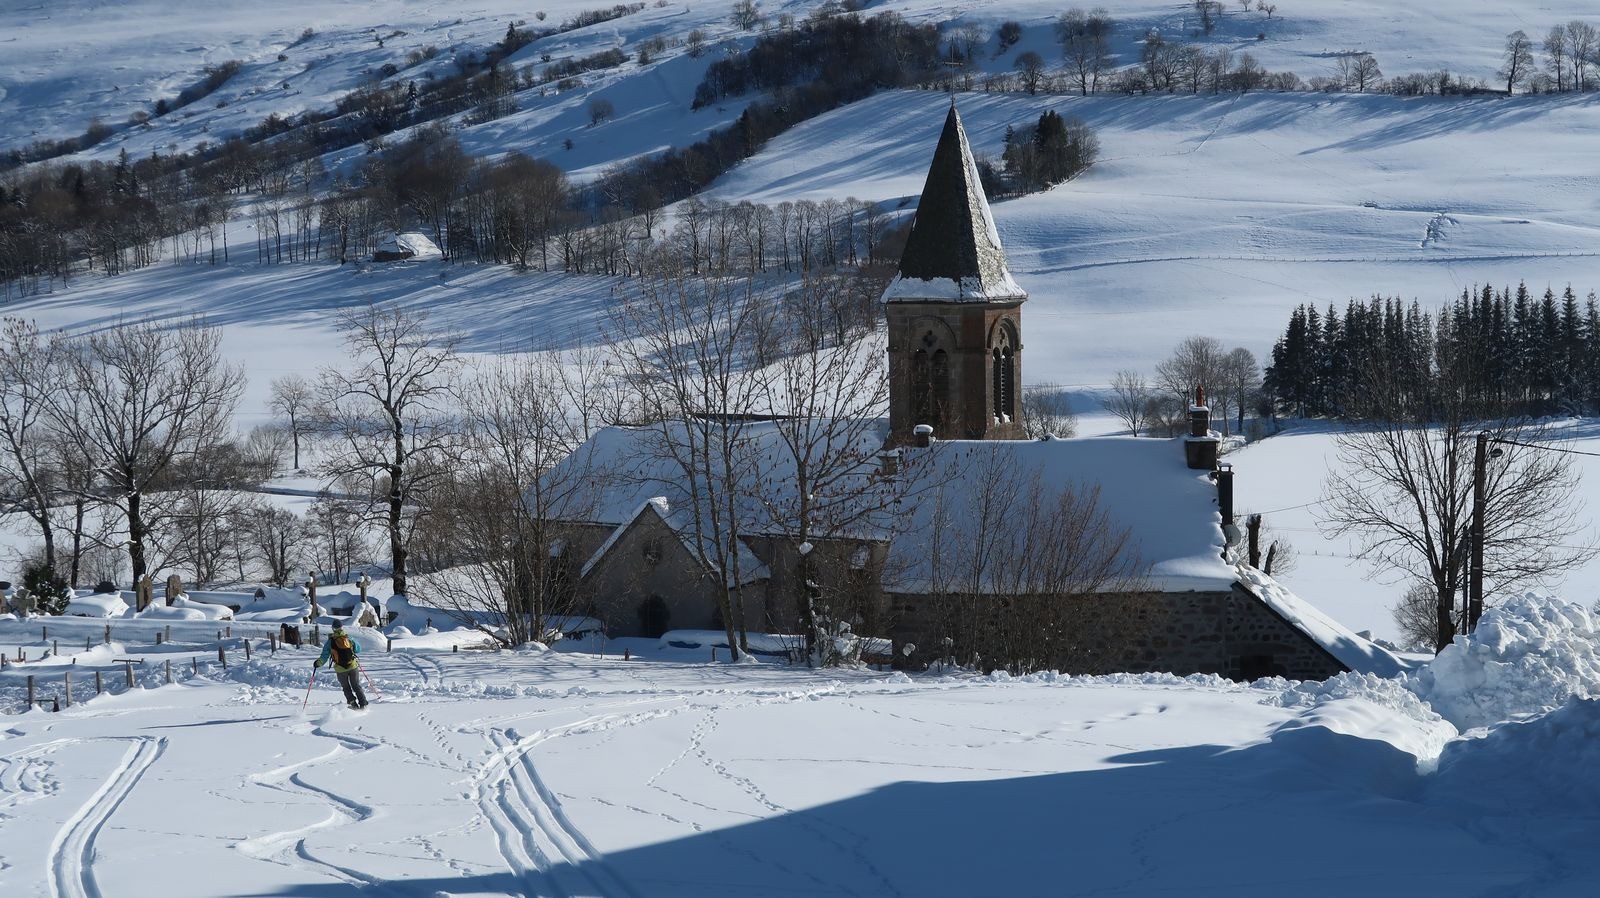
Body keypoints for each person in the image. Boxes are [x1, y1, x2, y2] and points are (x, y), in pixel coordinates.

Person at [314, 621, 368, 709]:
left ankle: (353, 704)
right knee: (356, 685)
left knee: (346, 687)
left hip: (340, 669)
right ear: (342, 627)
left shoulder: (330, 642)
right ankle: (363, 703)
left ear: (333, 629)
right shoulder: (349, 638)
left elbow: (324, 656)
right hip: (352, 666)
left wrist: (318, 663)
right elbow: (358, 649)